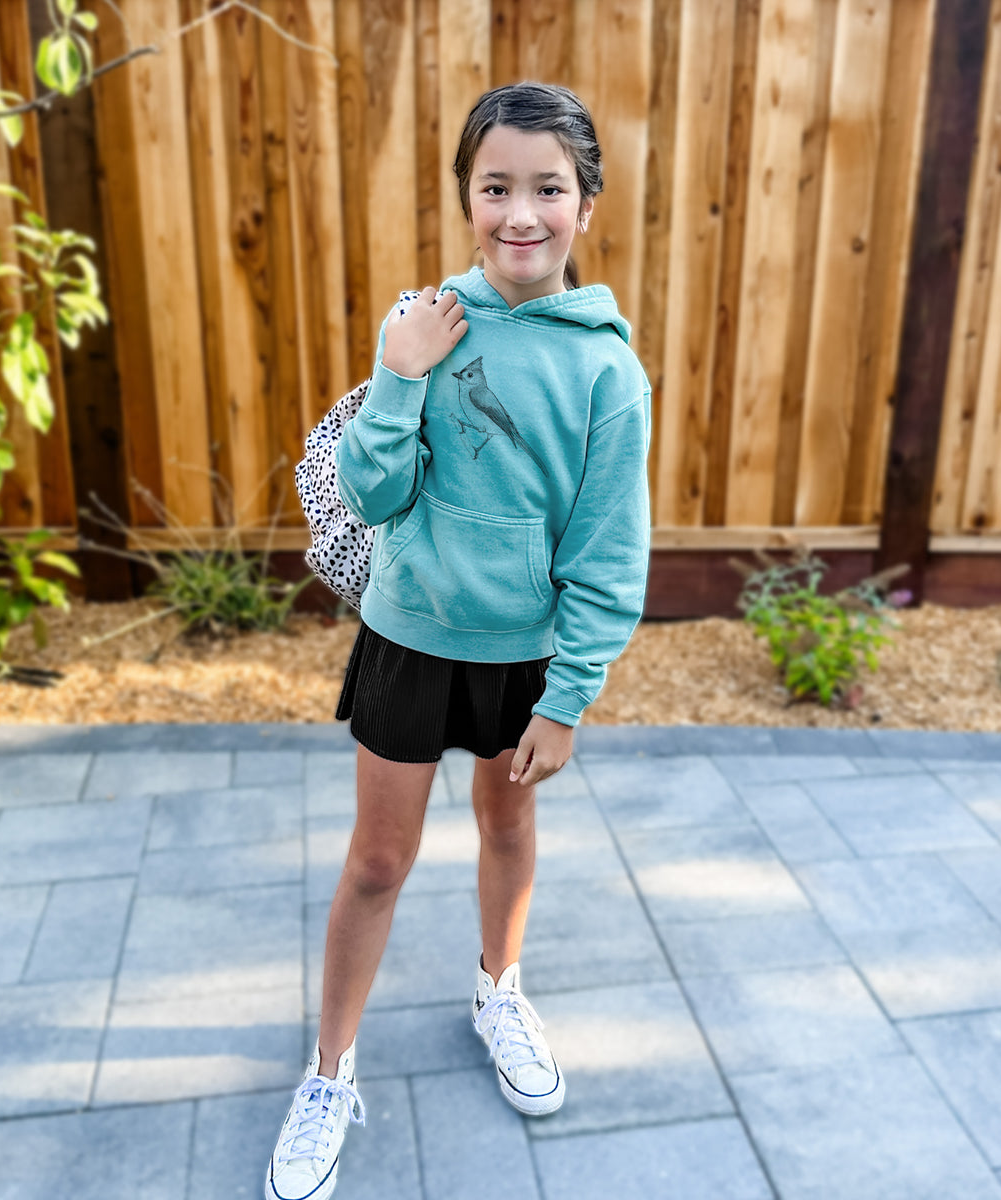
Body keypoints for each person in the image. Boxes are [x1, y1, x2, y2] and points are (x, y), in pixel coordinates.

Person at [265, 80, 651, 1200]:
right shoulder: (426, 323)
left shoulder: (606, 371)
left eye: (548, 188)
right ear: (466, 197)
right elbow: (373, 493)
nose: (521, 213)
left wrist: (569, 693)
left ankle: (498, 990)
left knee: (506, 826)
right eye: (497, 187)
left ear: (587, 203)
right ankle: (330, 1070)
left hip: (522, 659)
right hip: (409, 640)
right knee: (378, 861)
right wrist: (398, 373)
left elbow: (608, 550)